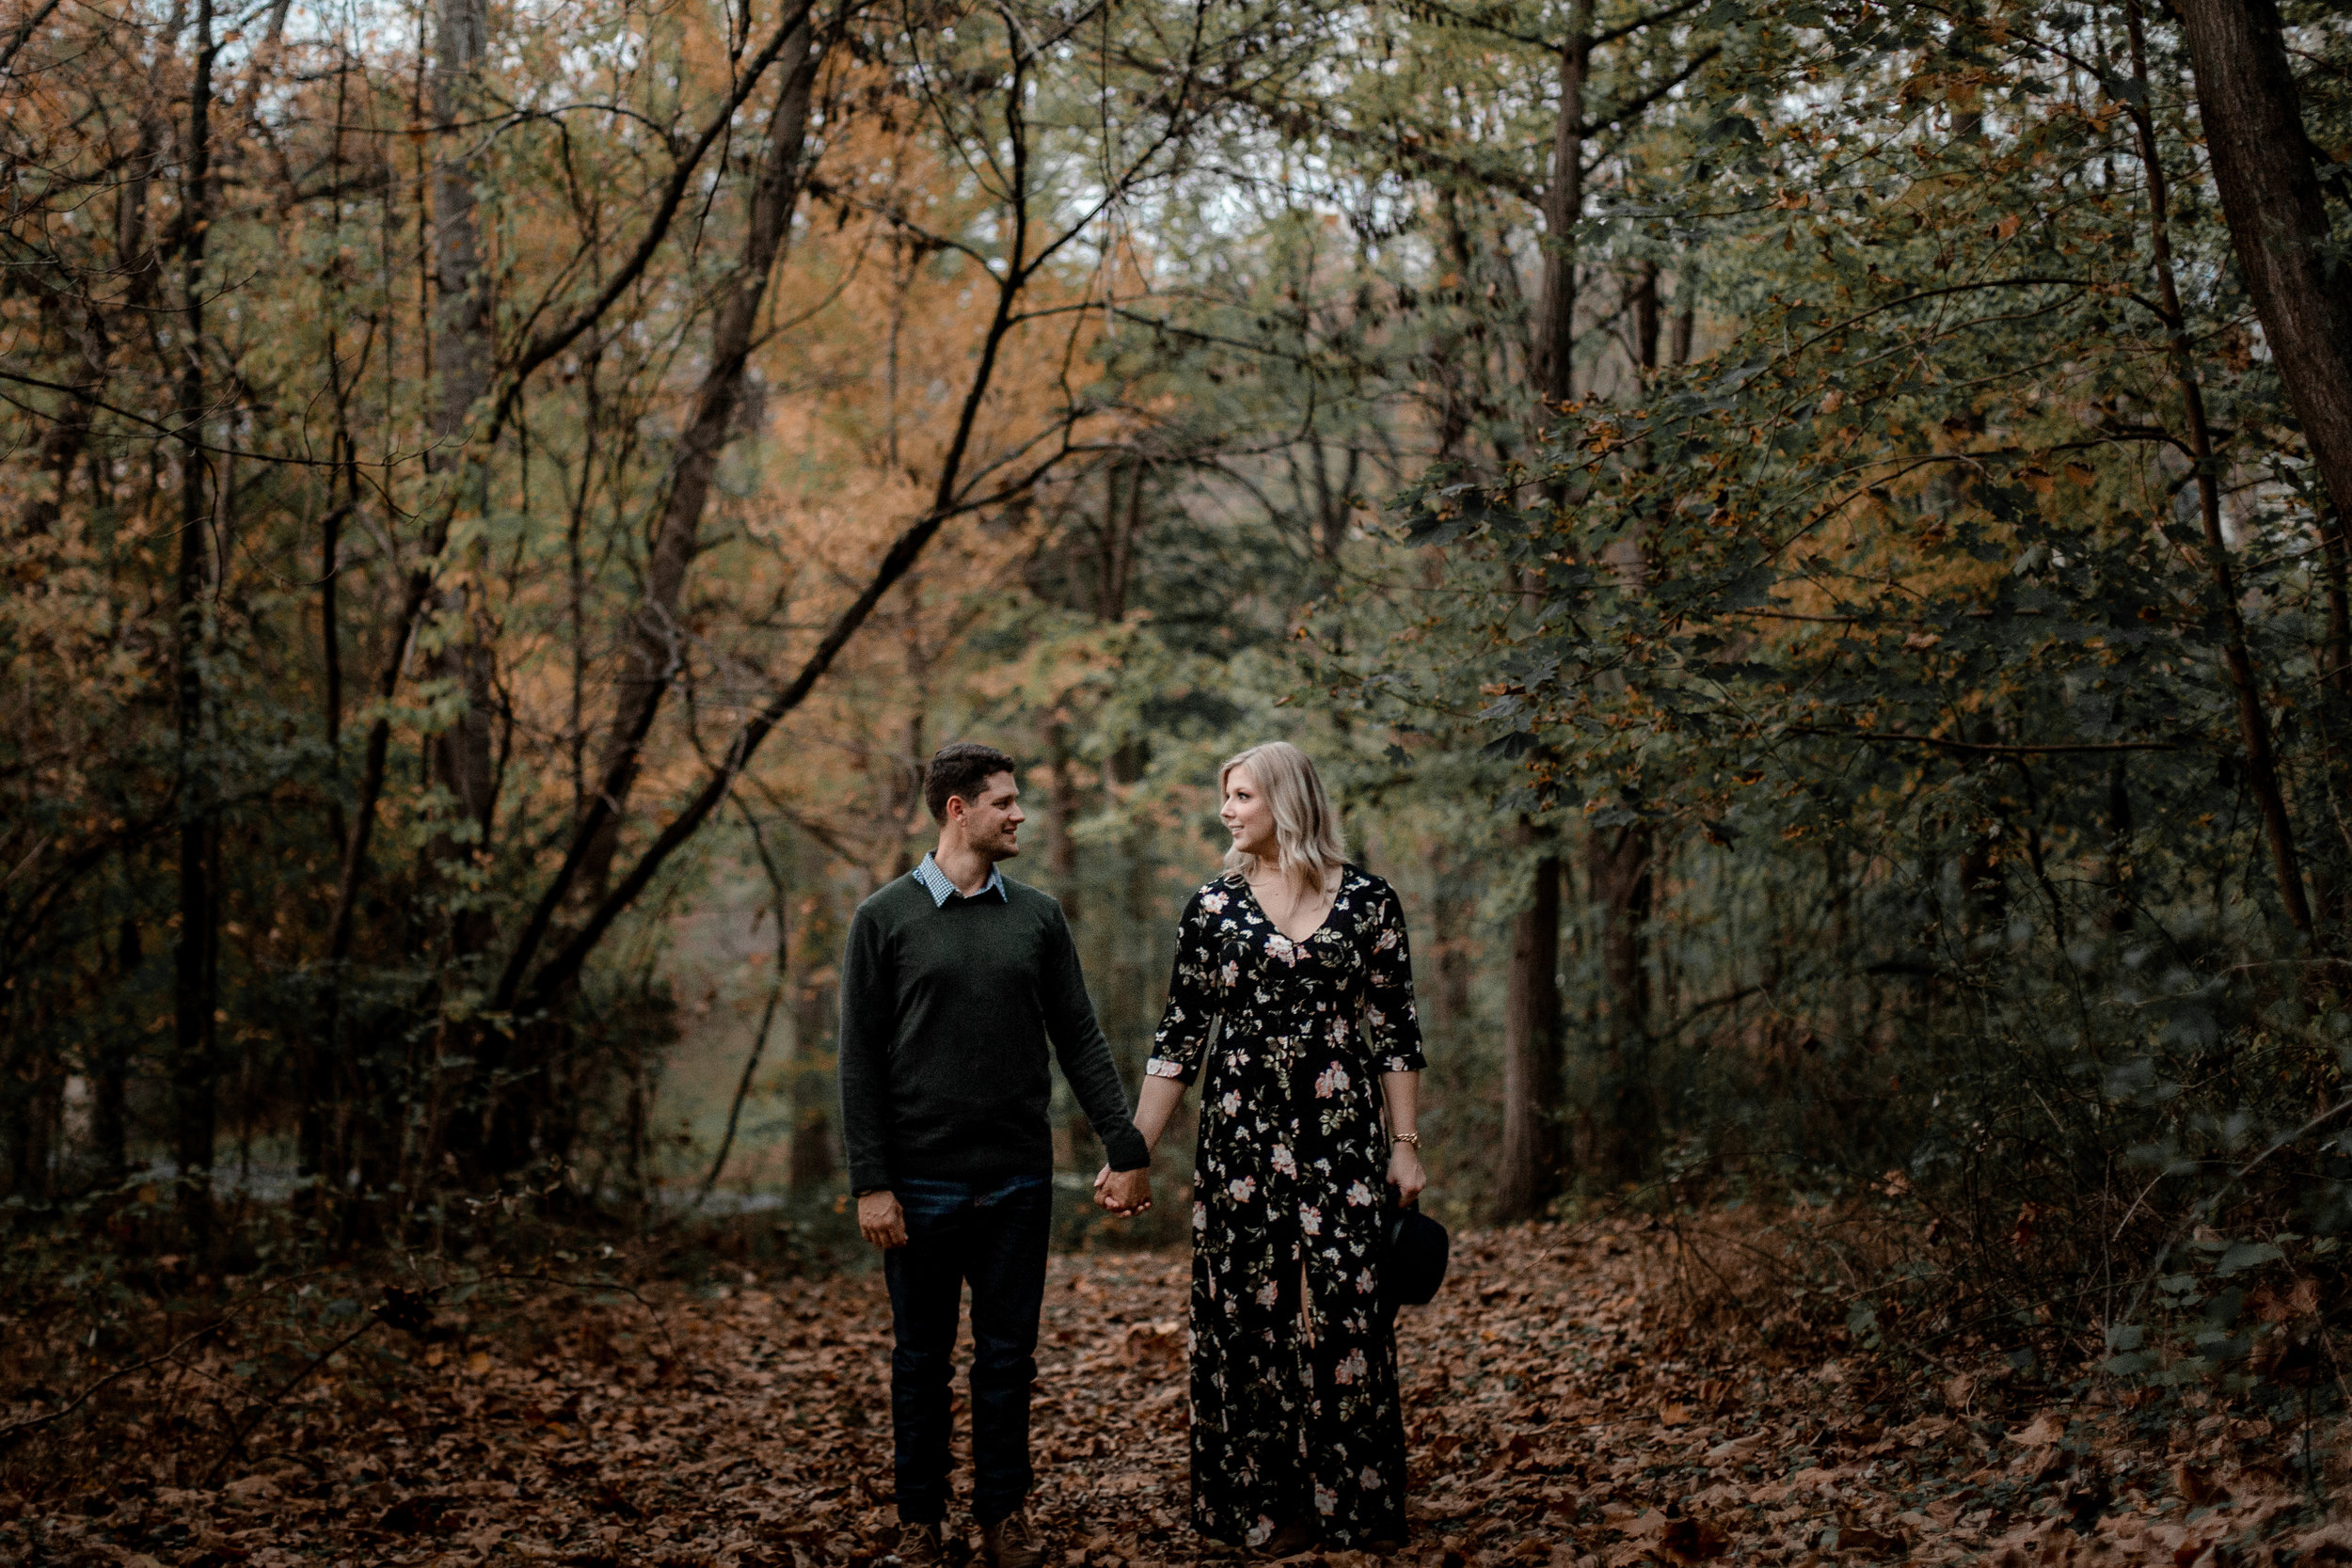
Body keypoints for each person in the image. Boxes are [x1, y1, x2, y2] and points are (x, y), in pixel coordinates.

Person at [1096, 740, 1427, 1553]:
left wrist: (1406, 1143)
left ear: (1284, 799)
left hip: (1345, 1139)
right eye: (1227, 797)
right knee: (1247, 1318)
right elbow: (1178, 1039)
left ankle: (1358, 1503)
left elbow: (1395, 1032)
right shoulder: (1212, 907)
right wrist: (1134, 1147)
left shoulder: (1371, 903)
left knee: (1352, 1311)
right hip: (1240, 1142)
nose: (1227, 810)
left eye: (1240, 795)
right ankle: (1259, 1507)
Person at [838, 741, 1153, 1568]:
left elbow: (1079, 1036)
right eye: (1005, 801)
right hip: (921, 1179)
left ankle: (1003, 1516)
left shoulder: (1038, 917)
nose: (1019, 814)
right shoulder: (883, 918)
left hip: (1018, 1176)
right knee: (921, 1360)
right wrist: (871, 1181)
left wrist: (1125, 1143)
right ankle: (920, 1521)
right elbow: (859, 1059)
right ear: (958, 809)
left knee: (1008, 1358)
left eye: (1018, 801)